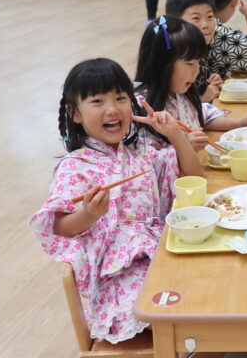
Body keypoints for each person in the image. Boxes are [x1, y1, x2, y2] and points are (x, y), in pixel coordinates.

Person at [30, 57, 202, 343]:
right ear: (75, 113)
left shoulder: (141, 154)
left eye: (121, 98)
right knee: (176, 322)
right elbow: (60, 227)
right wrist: (89, 214)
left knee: (212, 299)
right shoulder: (75, 166)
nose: (112, 109)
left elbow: (193, 174)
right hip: (120, 274)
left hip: (163, 255)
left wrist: (174, 134)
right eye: (97, 101)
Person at [135, 16, 247, 152]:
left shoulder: (181, 94)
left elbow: (202, 115)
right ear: (162, 64)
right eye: (190, 63)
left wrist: (238, 123)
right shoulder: (143, 107)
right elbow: (145, 158)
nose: (197, 70)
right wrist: (183, 148)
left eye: (198, 62)